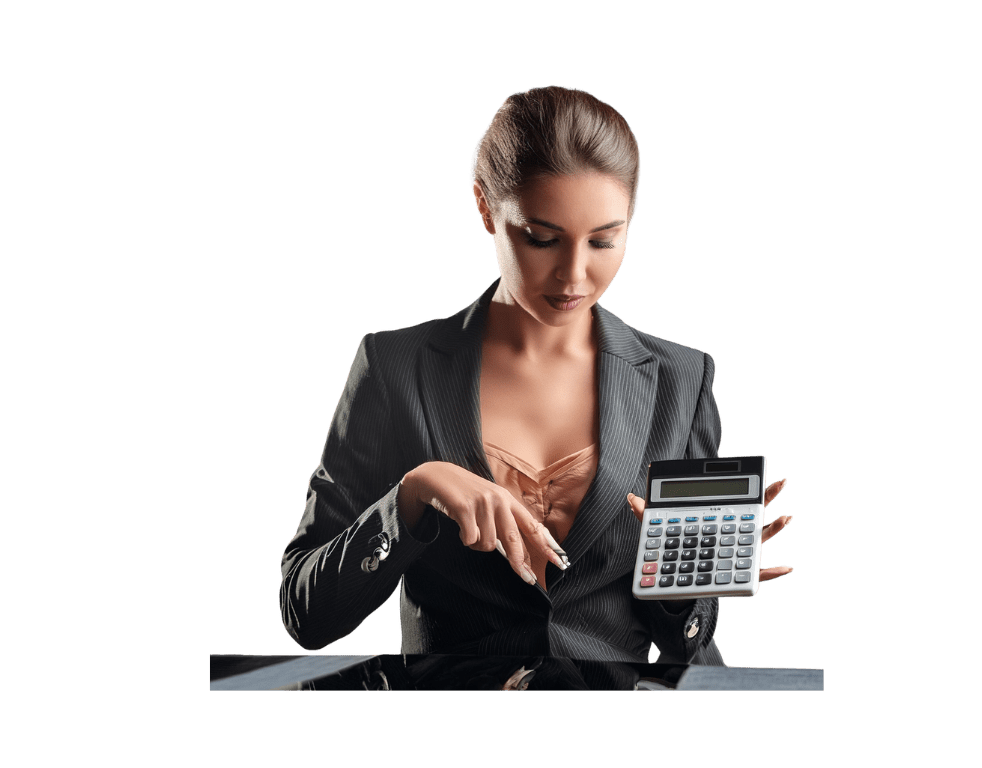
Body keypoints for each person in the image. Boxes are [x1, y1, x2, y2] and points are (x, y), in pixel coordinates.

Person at [279, 85, 796, 665]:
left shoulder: (680, 380)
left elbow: (686, 647)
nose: (574, 275)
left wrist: (685, 584)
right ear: (485, 209)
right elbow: (305, 612)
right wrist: (413, 493)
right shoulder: (394, 367)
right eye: (542, 239)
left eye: (604, 240)